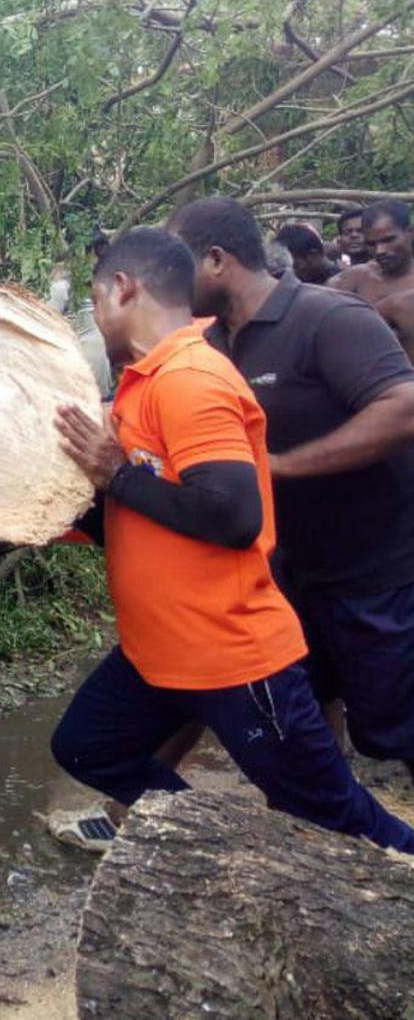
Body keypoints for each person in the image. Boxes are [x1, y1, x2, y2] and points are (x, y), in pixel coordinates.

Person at [48, 227, 413, 854]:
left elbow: (233, 515)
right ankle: (212, 849)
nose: (97, 315)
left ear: (122, 287)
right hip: (159, 651)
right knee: (86, 745)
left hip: (230, 658)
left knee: (337, 818)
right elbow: (151, 509)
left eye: (96, 298)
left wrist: (119, 476)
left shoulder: (191, 378)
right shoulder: (144, 381)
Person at [170, 196, 414, 786]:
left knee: (398, 724)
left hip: (378, 570)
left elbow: (404, 409)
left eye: (178, 267)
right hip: (290, 571)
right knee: (307, 703)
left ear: (218, 261)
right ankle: (329, 833)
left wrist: (280, 467)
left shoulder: (327, 318)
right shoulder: (211, 344)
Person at [327, 200, 414, 358]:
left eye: (388, 240)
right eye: (371, 244)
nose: (380, 250)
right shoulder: (353, 279)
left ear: (410, 232)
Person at [272, 223, 338, 285]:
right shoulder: (280, 278)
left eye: (297, 265)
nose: (302, 266)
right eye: (295, 266)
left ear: (315, 254)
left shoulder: (340, 281)